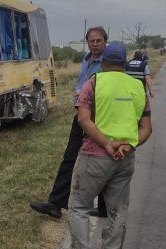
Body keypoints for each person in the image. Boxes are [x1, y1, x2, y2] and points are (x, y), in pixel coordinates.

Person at [59, 43, 152, 249]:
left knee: (80, 205)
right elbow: (147, 128)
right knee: (117, 209)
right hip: (125, 159)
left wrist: (106, 143)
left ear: (104, 62)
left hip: (95, 156)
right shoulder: (138, 86)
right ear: (124, 63)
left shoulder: (94, 82)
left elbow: (83, 119)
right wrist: (128, 145)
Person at [30, 26, 108, 219]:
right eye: (91, 41)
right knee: (72, 157)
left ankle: (101, 207)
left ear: (105, 41)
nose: (95, 44)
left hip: (97, 117)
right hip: (81, 114)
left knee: (102, 159)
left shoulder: (107, 62)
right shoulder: (86, 59)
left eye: (98, 40)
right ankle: (57, 203)